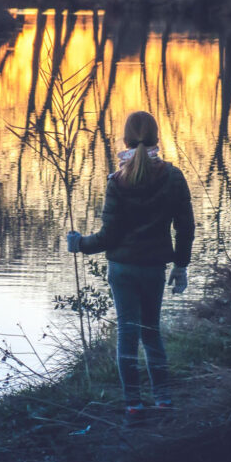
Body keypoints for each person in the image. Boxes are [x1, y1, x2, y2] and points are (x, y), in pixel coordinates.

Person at [66, 110, 195, 424]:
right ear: (156, 137)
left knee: (127, 334)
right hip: (153, 267)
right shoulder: (173, 176)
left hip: (122, 269)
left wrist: (80, 243)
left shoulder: (117, 181)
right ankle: (163, 401)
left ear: (125, 139)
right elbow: (186, 226)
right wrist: (181, 265)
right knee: (151, 333)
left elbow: (110, 235)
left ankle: (133, 406)